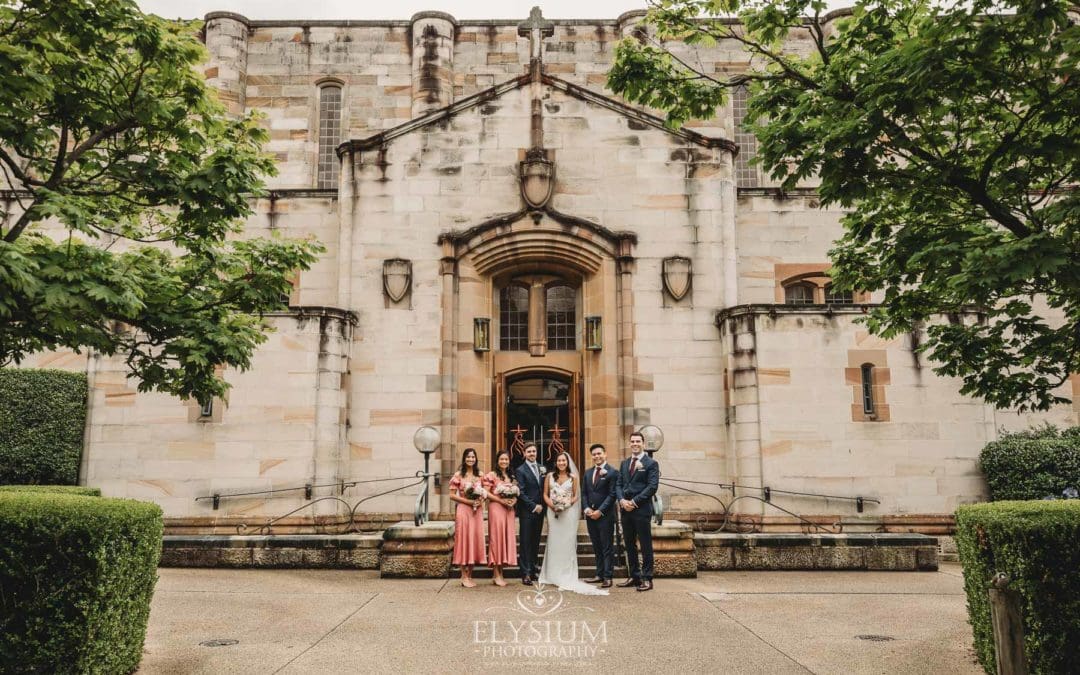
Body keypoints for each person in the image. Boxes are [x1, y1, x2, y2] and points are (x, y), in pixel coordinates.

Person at [539, 451, 607, 596]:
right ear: (556, 463)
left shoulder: (573, 477)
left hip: (568, 513)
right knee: (554, 542)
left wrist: (566, 504)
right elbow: (545, 494)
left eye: (564, 460)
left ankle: (566, 575)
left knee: (567, 543)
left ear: (567, 462)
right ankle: (552, 574)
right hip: (553, 513)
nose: (562, 463)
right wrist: (553, 505)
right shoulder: (550, 476)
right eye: (559, 461)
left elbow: (576, 496)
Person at [616, 431, 660, 592]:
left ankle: (647, 578)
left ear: (643, 443)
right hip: (625, 509)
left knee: (645, 544)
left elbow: (652, 487)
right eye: (632, 441)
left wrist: (634, 502)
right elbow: (618, 484)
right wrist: (621, 500)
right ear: (630, 443)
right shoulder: (625, 463)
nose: (635, 444)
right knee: (629, 544)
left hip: (641, 510)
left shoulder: (650, 464)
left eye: (638, 441)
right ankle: (634, 576)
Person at [449, 447, 487, 587]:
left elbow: (485, 493)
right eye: (468, 457)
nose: (471, 459)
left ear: (476, 459)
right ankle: (463, 575)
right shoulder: (458, 475)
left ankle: (470, 574)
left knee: (474, 540)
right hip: (464, 510)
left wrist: (480, 501)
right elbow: (452, 495)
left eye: (473, 457)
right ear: (464, 459)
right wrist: (469, 501)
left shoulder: (481, 475)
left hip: (476, 512)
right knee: (464, 540)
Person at [582, 443, 617, 588]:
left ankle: (608, 576)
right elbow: (584, 493)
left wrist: (600, 511)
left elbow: (612, 494)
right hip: (591, 515)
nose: (596, 456)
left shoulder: (613, 472)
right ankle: (599, 573)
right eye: (594, 454)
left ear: (605, 454)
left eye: (599, 453)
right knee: (596, 545)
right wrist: (587, 509)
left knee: (607, 546)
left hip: (605, 516)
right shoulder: (588, 473)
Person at [483, 449, 518, 587]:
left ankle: (501, 573)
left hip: (509, 510)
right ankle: (496, 574)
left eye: (506, 459)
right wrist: (500, 500)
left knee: (505, 539)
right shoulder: (491, 475)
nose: (504, 461)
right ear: (497, 461)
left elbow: (515, 493)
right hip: (496, 508)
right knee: (496, 539)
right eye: (502, 459)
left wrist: (513, 501)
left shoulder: (511, 476)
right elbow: (485, 492)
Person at [515, 443, 545, 586]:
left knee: (535, 541)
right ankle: (525, 573)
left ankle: (533, 569)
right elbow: (521, 492)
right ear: (524, 453)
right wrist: (534, 506)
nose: (532, 453)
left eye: (534, 451)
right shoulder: (520, 470)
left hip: (540, 512)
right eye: (529, 451)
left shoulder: (542, 468)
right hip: (527, 512)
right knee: (526, 542)